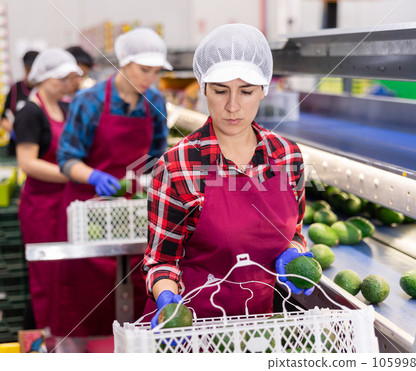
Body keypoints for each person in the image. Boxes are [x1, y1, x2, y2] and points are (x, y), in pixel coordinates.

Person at [142, 24, 313, 325]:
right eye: (221, 91)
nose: (233, 107)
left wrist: (294, 252)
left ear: (263, 90)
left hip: (257, 324)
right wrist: (167, 300)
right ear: (203, 88)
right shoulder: (176, 165)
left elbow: (295, 232)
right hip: (190, 326)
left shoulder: (288, 156)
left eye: (246, 91)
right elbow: (162, 261)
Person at [53, 27, 171, 344]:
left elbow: (157, 157)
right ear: (123, 62)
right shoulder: (89, 102)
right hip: (89, 209)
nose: (150, 78)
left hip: (134, 211)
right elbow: (67, 158)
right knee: (87, 295)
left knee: (136, 290)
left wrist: (149, 178)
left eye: (156, 71)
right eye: (144, 70)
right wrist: (93, 176)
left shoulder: (155, 102)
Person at [14, 48, 82, 331]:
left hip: (66, 204)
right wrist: (74, 175)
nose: (66, 84)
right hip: (40, 207)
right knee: (44, 276)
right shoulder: (30, 112)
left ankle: (64, 337)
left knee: (64, 277)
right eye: (60, 79)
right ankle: (41, 345)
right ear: (43, 78)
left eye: (68, 78)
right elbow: (27, 163)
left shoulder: (66, 108)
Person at [1, 50, 39, 156]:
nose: (30, 71)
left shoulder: (43, 90)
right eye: (28, 68)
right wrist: (15, 130)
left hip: (38, 146)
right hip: (17, 147)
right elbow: (4, 118)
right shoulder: (15, 88)